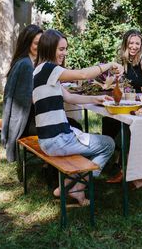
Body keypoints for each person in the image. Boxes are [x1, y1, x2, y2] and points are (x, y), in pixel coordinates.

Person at [33, 29, 123, 206]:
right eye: (61, 49)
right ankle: (76, 187)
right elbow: (82, 75)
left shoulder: (39, 71)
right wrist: (109, 64)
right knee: (108, 144)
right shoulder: (50, 69)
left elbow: (70, 97)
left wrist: (96, 98)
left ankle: (69, 185)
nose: (64, 53)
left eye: (65, 49)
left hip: (48, 140)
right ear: (49, 48)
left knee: (89, 138)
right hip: (57, 140)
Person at [103, 29, 142, 189]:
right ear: (125, 44)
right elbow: (110, 84)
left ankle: (127, 168)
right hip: (126, 103)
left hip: (141, 104)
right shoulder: (121, 61)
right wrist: (115, 77)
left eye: (137, 43)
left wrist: (140, 99)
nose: (134, 46)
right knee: (108, 119)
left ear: (141, 45)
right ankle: (115, 159)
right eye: (131, 43)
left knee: (127, 127)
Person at [1, 24, 43, 162]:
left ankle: (49, 168)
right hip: (25, 124)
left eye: (41, 43)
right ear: (27, 43)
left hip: (25, 119)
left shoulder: (27, 61)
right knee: (70, 127)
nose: (40, 46)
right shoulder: (26, 65)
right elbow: (29, 99)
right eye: (36, 43)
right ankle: (50, 170)